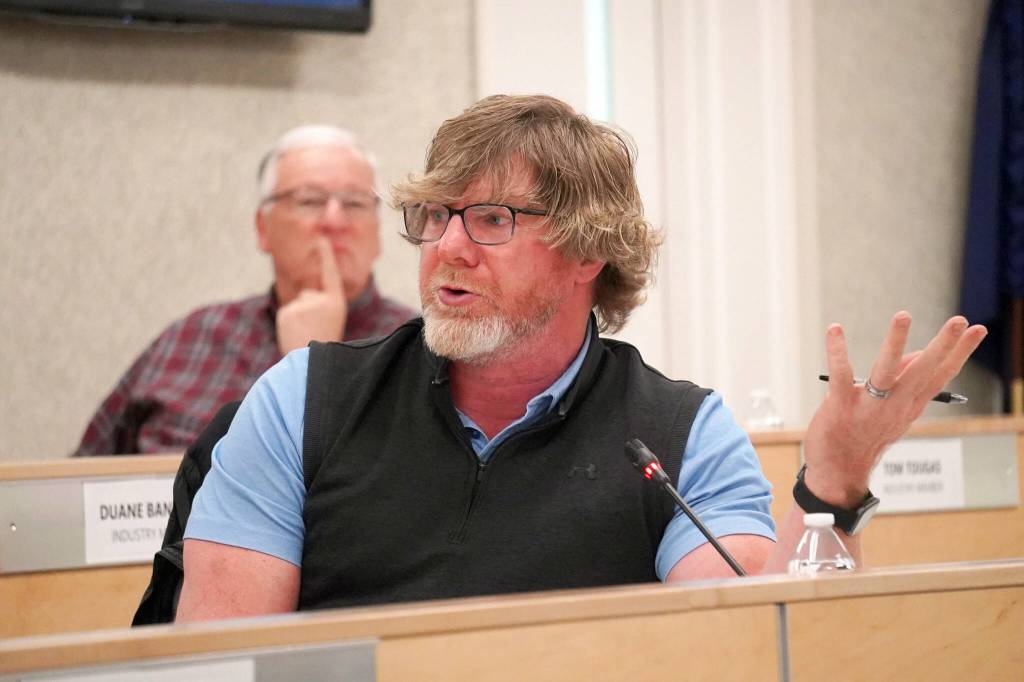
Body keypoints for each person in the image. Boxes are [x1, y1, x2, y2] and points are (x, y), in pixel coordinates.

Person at [175, 95, 987, 621]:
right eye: (435, 216)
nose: (446, 249)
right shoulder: (303, 400)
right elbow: (224, 663)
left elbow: (754, 640)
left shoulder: (679, 432)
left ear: (587, 251)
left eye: (491, 219)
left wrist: (833, 487)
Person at [74, 126, 417, 456]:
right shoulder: (194, 334)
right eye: (310, 201)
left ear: (377, 232)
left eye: (355, 204)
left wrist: (311, 363)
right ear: (262, 228)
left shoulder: (415, 349)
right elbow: (77, 482)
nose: (334, 221)